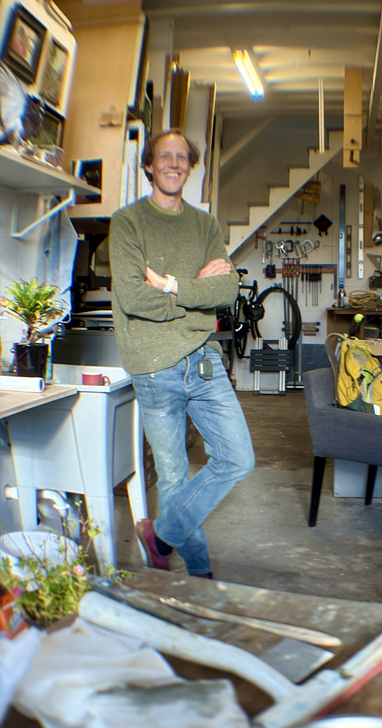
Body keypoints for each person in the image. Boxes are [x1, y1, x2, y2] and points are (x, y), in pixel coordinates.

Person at [109, 128, 254, 578]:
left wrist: (171, 285)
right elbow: (133, 298)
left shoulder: (205, 225)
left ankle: (160, 536)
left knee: (238, 459)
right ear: (149, 166)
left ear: (190, 167)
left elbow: (227, 290)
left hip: (203, 359)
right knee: (172, 477)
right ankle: (200, 574)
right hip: (154, 365)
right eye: (164, 156)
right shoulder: (128, 222)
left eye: (182, 157)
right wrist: (196, 296)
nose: (173, 163)